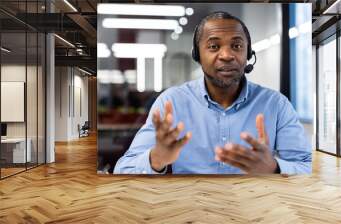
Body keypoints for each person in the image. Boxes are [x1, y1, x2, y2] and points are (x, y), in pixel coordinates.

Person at [114, 11, 312, 175]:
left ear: (248, 54)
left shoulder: (276, 104)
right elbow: (123, 170)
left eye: (236, 46)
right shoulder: (171, 102)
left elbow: (307, 166)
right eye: (214, 46)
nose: (226, 55)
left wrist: (274, 168)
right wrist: (156, 158)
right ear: (197, 55)